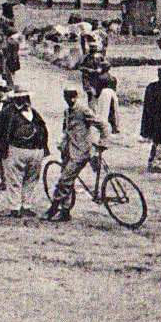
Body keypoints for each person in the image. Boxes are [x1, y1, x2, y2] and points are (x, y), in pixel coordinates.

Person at [0, 83, 49, 218]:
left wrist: (43, 148)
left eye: (26, 97)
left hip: (35, 150)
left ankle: (26, 206)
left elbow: (42, 129)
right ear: (15, 99)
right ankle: (15, 207)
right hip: (15, 149)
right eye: (22, 97)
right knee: (14, 179)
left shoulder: (33, 112)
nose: (25, 100)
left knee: (31, 179)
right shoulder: (7, 112)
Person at [46, 82, 100, 222]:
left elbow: (102, 125)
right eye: (68, 97)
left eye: (73, 97)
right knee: (67, 180)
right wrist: (62, 142)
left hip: (81, 152)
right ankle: (65, 211)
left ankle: (54, 206)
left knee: (64, 180)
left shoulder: (83, 110)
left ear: (77, 96)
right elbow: (66, 129)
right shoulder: (67, 111)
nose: (70, 99)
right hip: (68, 150)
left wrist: (101, 144)